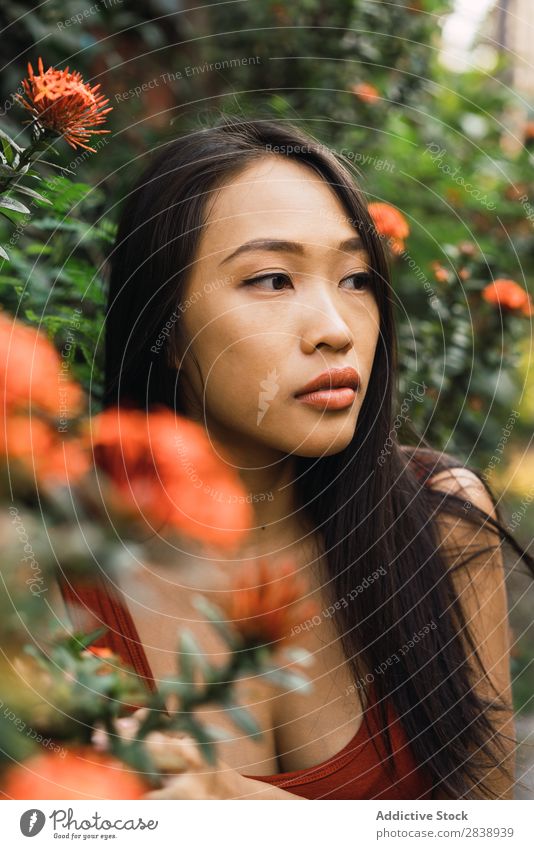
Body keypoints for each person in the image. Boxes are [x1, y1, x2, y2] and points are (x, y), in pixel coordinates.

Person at [62, 115, 534, 800]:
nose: (336, 330)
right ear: (164, 325)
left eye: (356, 279)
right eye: (273, 279)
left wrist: (244, 806)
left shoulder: (441, 518)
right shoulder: (53, 568)